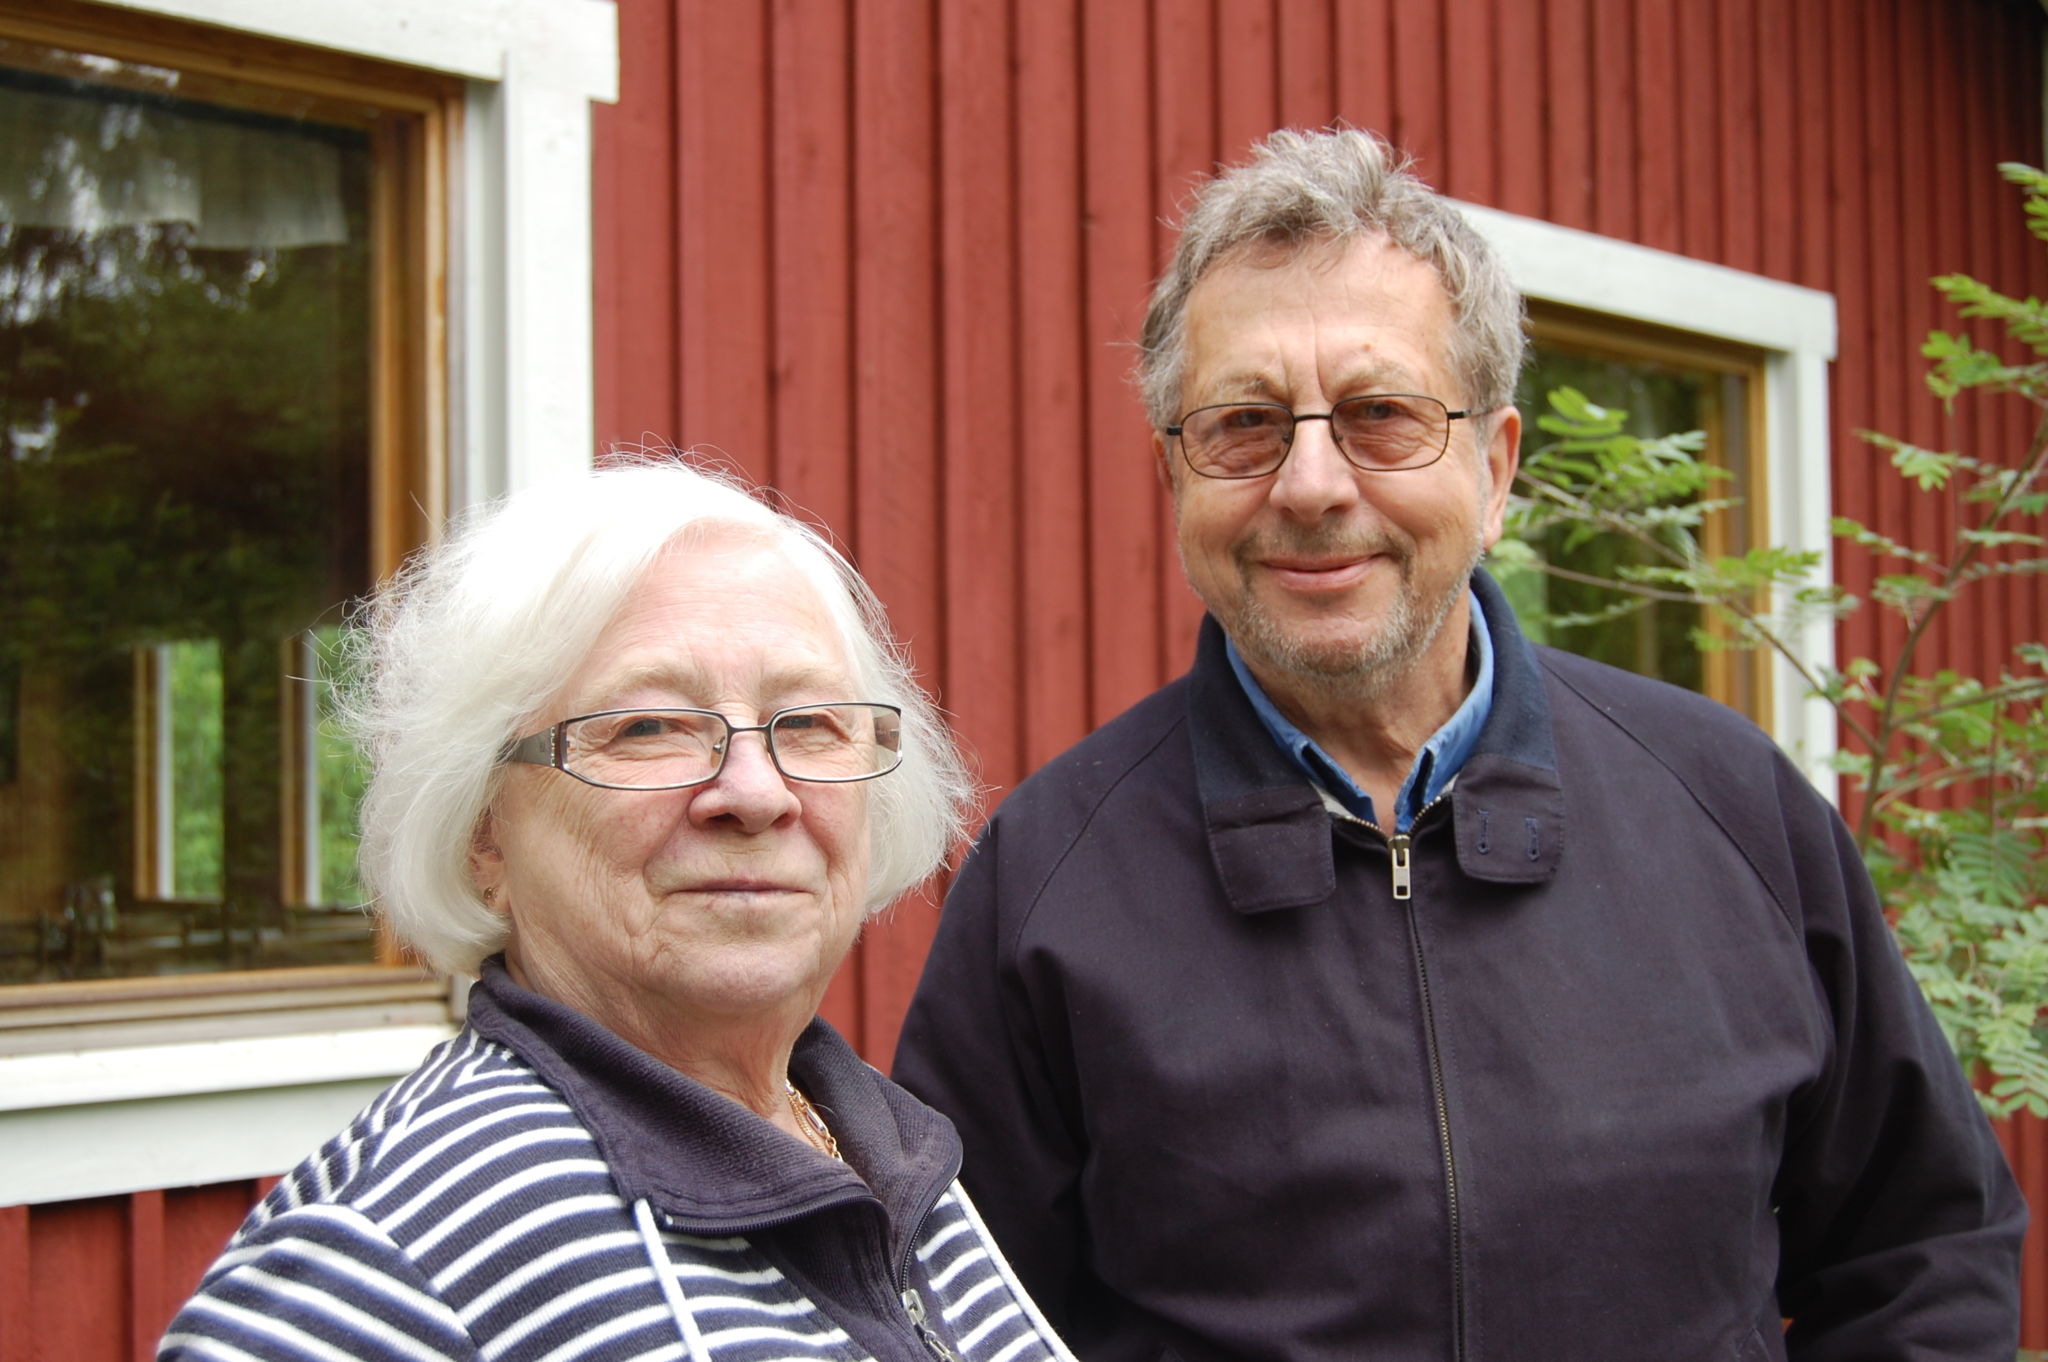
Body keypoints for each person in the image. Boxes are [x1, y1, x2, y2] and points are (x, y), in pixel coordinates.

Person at [892, 128, 2027, 1360]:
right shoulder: (1048, 881)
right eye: (1242, 424)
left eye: (1379, 415)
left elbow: (1923, 1249)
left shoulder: (1725, 806)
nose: (1311, 484)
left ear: (1492, 471)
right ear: (1176, 479)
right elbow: (950, 1327)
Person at [160, 458, 1075, 1362]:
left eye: (807, 724)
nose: (756, 794)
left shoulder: (884, 1146)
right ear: (484, 832)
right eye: (647, 727)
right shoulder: (390, 1259)